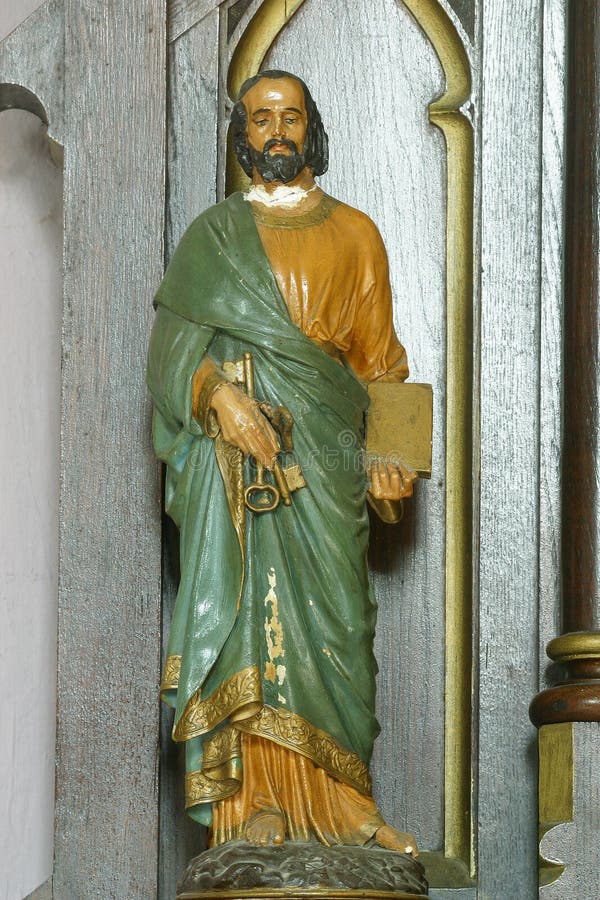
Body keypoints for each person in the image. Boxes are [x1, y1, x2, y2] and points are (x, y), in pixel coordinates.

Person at [147, 69, 418, 854]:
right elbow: (169, 354)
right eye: (261, 119)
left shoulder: (357, 234)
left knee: (337, 630)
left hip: (325, 466)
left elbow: (382, 365)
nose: (276, 133)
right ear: (241, 136)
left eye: (290, 119)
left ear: (312, 133)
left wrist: (391, 457)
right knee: (246, 623)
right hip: (234, 471)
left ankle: (349, 806)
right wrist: (215, 399)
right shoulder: (212, 237)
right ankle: (250, 809)